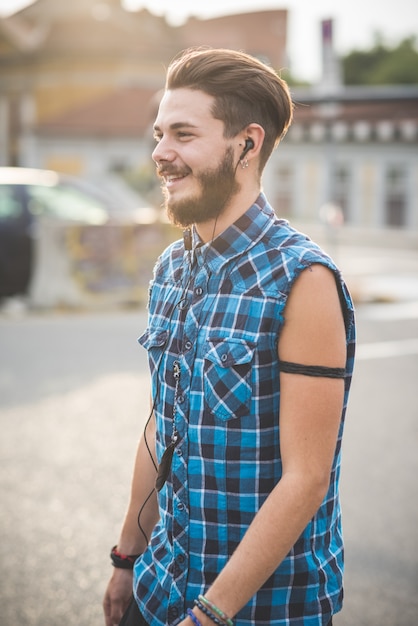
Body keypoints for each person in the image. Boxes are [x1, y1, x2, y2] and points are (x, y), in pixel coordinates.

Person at [103, 47, 356, 626]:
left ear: (247, 143)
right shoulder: (172, 266)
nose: (160, 154)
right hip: (158, 585)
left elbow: (307, 477)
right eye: (160, 133)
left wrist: (212, 614)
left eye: (184, 135)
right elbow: (160, 426)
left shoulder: (302, 279)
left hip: (260, 608)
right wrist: (125, 560)